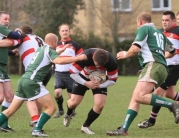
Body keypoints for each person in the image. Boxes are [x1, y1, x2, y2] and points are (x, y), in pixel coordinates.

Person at [106, 12, 179, 136]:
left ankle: (172, 105)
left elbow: (135, 48)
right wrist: (161, 57)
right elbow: (172, 51)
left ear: (139, 21)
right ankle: (124, 128)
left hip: (153, 65)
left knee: (139, 96)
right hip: (162, 67)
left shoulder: (144, 28)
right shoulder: (159, 33)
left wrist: (124, 54)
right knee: (136, 96)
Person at [0, 33, 86, 137]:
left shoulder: (41, 49)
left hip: (23, 80)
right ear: (54, 42)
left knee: (10, 110)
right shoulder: (49, 50)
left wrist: (61, 50)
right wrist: (77, 58)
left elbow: (52, 55)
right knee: (51, 108)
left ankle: (36, 129)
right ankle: (37, 130)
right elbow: (58, 60)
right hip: (33, 82)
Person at [0, 24, 53, 131]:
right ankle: (37, 124)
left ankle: (35, 122)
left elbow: (10, 42)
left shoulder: (22, 38)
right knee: (38, 96)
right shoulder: (38, 38)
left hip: (34, 72)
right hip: (47, 70)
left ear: (22, 32)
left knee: (30, 97)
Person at [138, 11, 179, 129]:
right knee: (169, 93)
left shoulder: (178, 30)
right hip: (164, 66)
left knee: (157, 93)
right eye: (163, 20)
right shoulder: (160, 32)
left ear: (173, 20)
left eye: (167, 20)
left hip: (174, 66)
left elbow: (172, 51)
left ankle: (151, 120)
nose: (164, 22)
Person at [63, 48, 118, 134]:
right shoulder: (85, 56)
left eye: (101, 66)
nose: (98, 67)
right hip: (83, 77)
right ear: (93, 59)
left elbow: (113, 80)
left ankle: (85, 126)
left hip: (100, 81)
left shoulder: (111, 62)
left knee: (100, 105)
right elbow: (72, 73)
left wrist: (100, 85)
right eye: (97, 64)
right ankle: (68, 114)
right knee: (73, 103)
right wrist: (86, 83)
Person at [0, 11, 25, 132]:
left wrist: (11, 52)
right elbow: (16, 36)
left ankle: (3, 125)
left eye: (8, 19)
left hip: (3, 67)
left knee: (9, 97)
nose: (7, 21)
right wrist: (19, 31)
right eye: (5, 19)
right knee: (0, 97)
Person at [53, 24, 83, 118]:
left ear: (69, 32)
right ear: (59, 32)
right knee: (57, 92)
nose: (65, 32)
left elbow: (81, 57)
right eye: (63, 31)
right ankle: (60, 109)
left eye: (66, 30)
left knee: (71, 97)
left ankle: (70, 112)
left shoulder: (75, 45)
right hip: (58, 73)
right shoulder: (55, 45)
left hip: (71, 74)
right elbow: (51, 56)